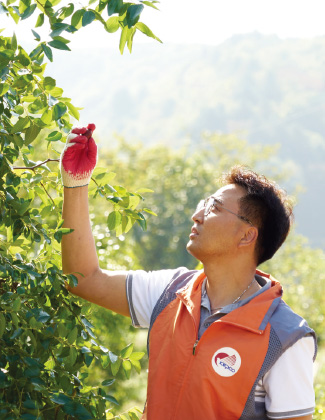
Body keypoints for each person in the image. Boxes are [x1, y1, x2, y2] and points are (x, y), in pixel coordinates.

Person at [60, 125, 317, 420]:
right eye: (203, 204)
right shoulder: (170, 291)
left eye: (214, 208)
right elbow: (84, 278)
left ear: (247, 237)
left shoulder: (285, 338)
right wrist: (76, 184)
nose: (197, 215)